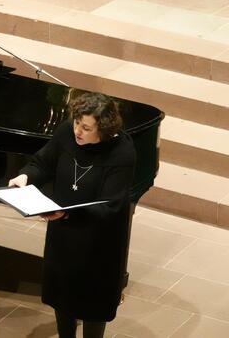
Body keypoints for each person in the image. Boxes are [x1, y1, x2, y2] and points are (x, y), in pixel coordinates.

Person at [8, 92, 136, 338]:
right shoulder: (68, 132)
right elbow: (42, 162)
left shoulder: (121, 153)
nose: (77, 131)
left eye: (86, 128)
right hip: (64, 235)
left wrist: (67, 214)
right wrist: (26, 176)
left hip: (98, 243)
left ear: (104, 129)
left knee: (93, 305)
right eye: (77, 122)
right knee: (63, 297)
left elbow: (111, 205)